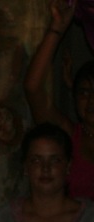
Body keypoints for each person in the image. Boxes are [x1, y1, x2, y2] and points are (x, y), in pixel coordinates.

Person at [24, 0, 94, 200]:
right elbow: (33, 88)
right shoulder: (70, 135)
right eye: (84, 92)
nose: (91, 101)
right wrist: (56, 29)